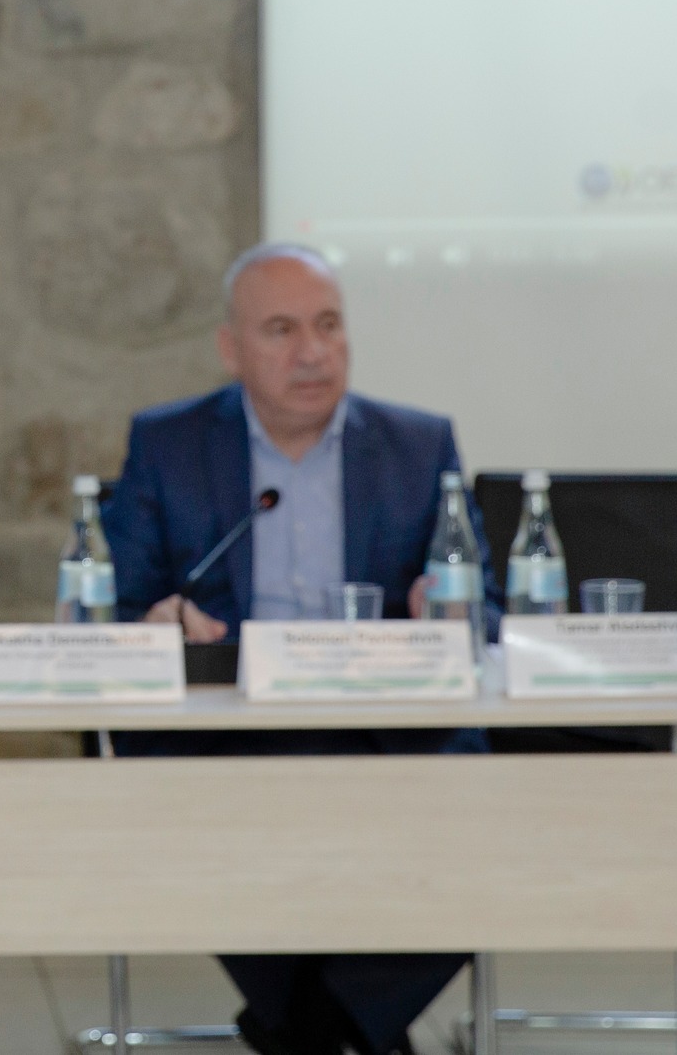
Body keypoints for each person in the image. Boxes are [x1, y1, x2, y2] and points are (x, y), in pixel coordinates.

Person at [102, 242, 501, 1055]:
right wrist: (160, 620)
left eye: (328, 325)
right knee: (226, 810)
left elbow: (483, 607)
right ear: (231, 348)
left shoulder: (420, 445)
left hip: (389, 723)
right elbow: (118, 607)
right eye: (282, 330)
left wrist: (445, 610)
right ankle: (349, 1025)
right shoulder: (168, 444)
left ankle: (311, 1028)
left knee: (491, 821)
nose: (313, 352)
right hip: (229, 723)